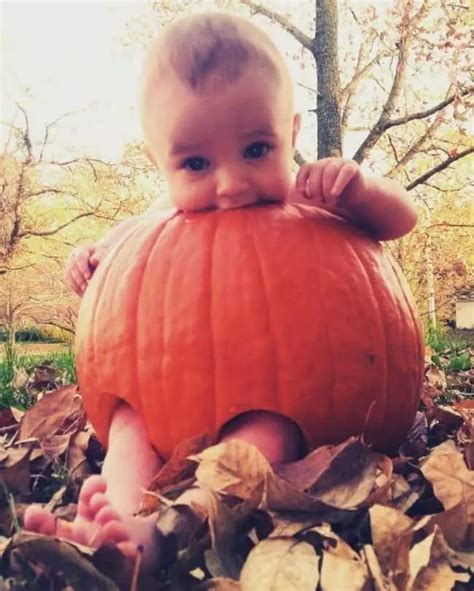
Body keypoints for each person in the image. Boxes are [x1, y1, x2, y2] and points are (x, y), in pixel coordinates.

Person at [25, 11, 418, 570]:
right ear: (159, 162)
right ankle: (121, 526)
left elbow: (401, 219)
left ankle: (183, 520)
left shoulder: (311, 203)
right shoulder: (156, 228)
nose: (231, 183)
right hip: (170, 399)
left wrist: (359, 190)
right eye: (197, 162)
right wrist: (89, 258)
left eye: (256, 149)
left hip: (278, 398)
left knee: (268, 433)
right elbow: (118, 255)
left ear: (293, 133)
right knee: (128, 423)